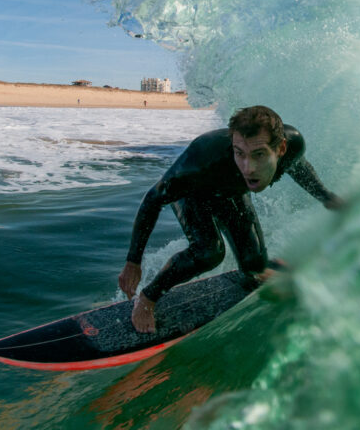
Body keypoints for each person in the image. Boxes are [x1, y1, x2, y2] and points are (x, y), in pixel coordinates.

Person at [118, 105, 343, 332]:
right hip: (194, 192)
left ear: (281, 148)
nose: (248, 168)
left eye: (259, 154)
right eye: (239, 153)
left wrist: (326, 197)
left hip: (231, 194)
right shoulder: (201, 158)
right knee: (209, 252)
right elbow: (153, 199)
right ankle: (148, 298)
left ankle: (256, 271)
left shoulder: (293, 145)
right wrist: (133, 262)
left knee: (254, 266)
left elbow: (298, 167)